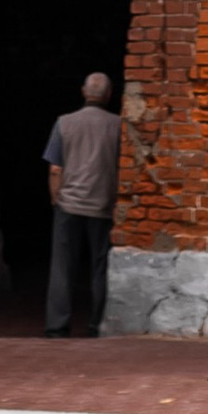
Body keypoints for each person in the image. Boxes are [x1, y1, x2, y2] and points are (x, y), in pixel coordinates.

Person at [43, 70, 123, 338]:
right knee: (100, 267)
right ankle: (97, 324)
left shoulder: (64, 123)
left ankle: (57, 326)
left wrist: (57, 199)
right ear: (109, 95)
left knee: (63, 267)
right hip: (102, 206)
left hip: (69, 206)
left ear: (83, 91)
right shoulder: (117, 125)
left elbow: (56, 168)